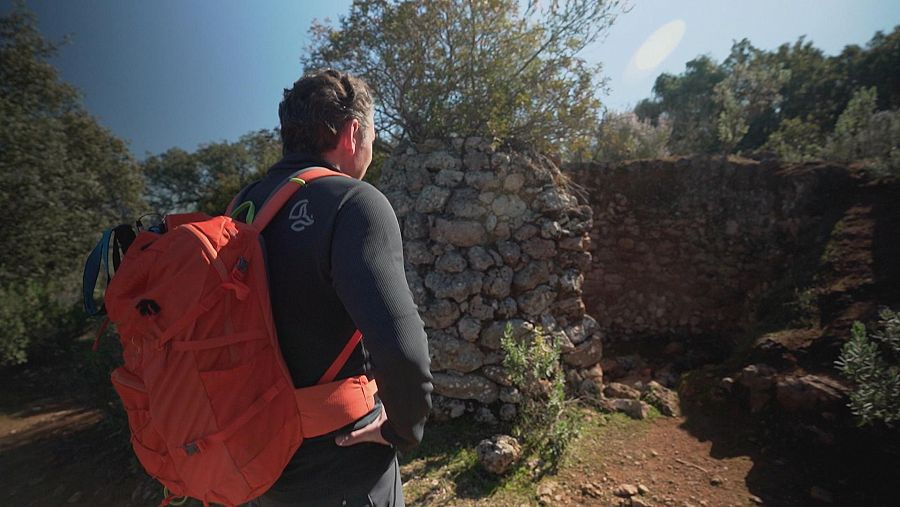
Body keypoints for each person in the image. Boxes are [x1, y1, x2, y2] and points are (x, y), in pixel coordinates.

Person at [243, 69, 433, 506]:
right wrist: (401, 428)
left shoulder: (243, 207)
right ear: (352, 133)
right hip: (343, 469)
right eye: (372, 135)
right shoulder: (353, 202)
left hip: (257, 461)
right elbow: (402, 349)